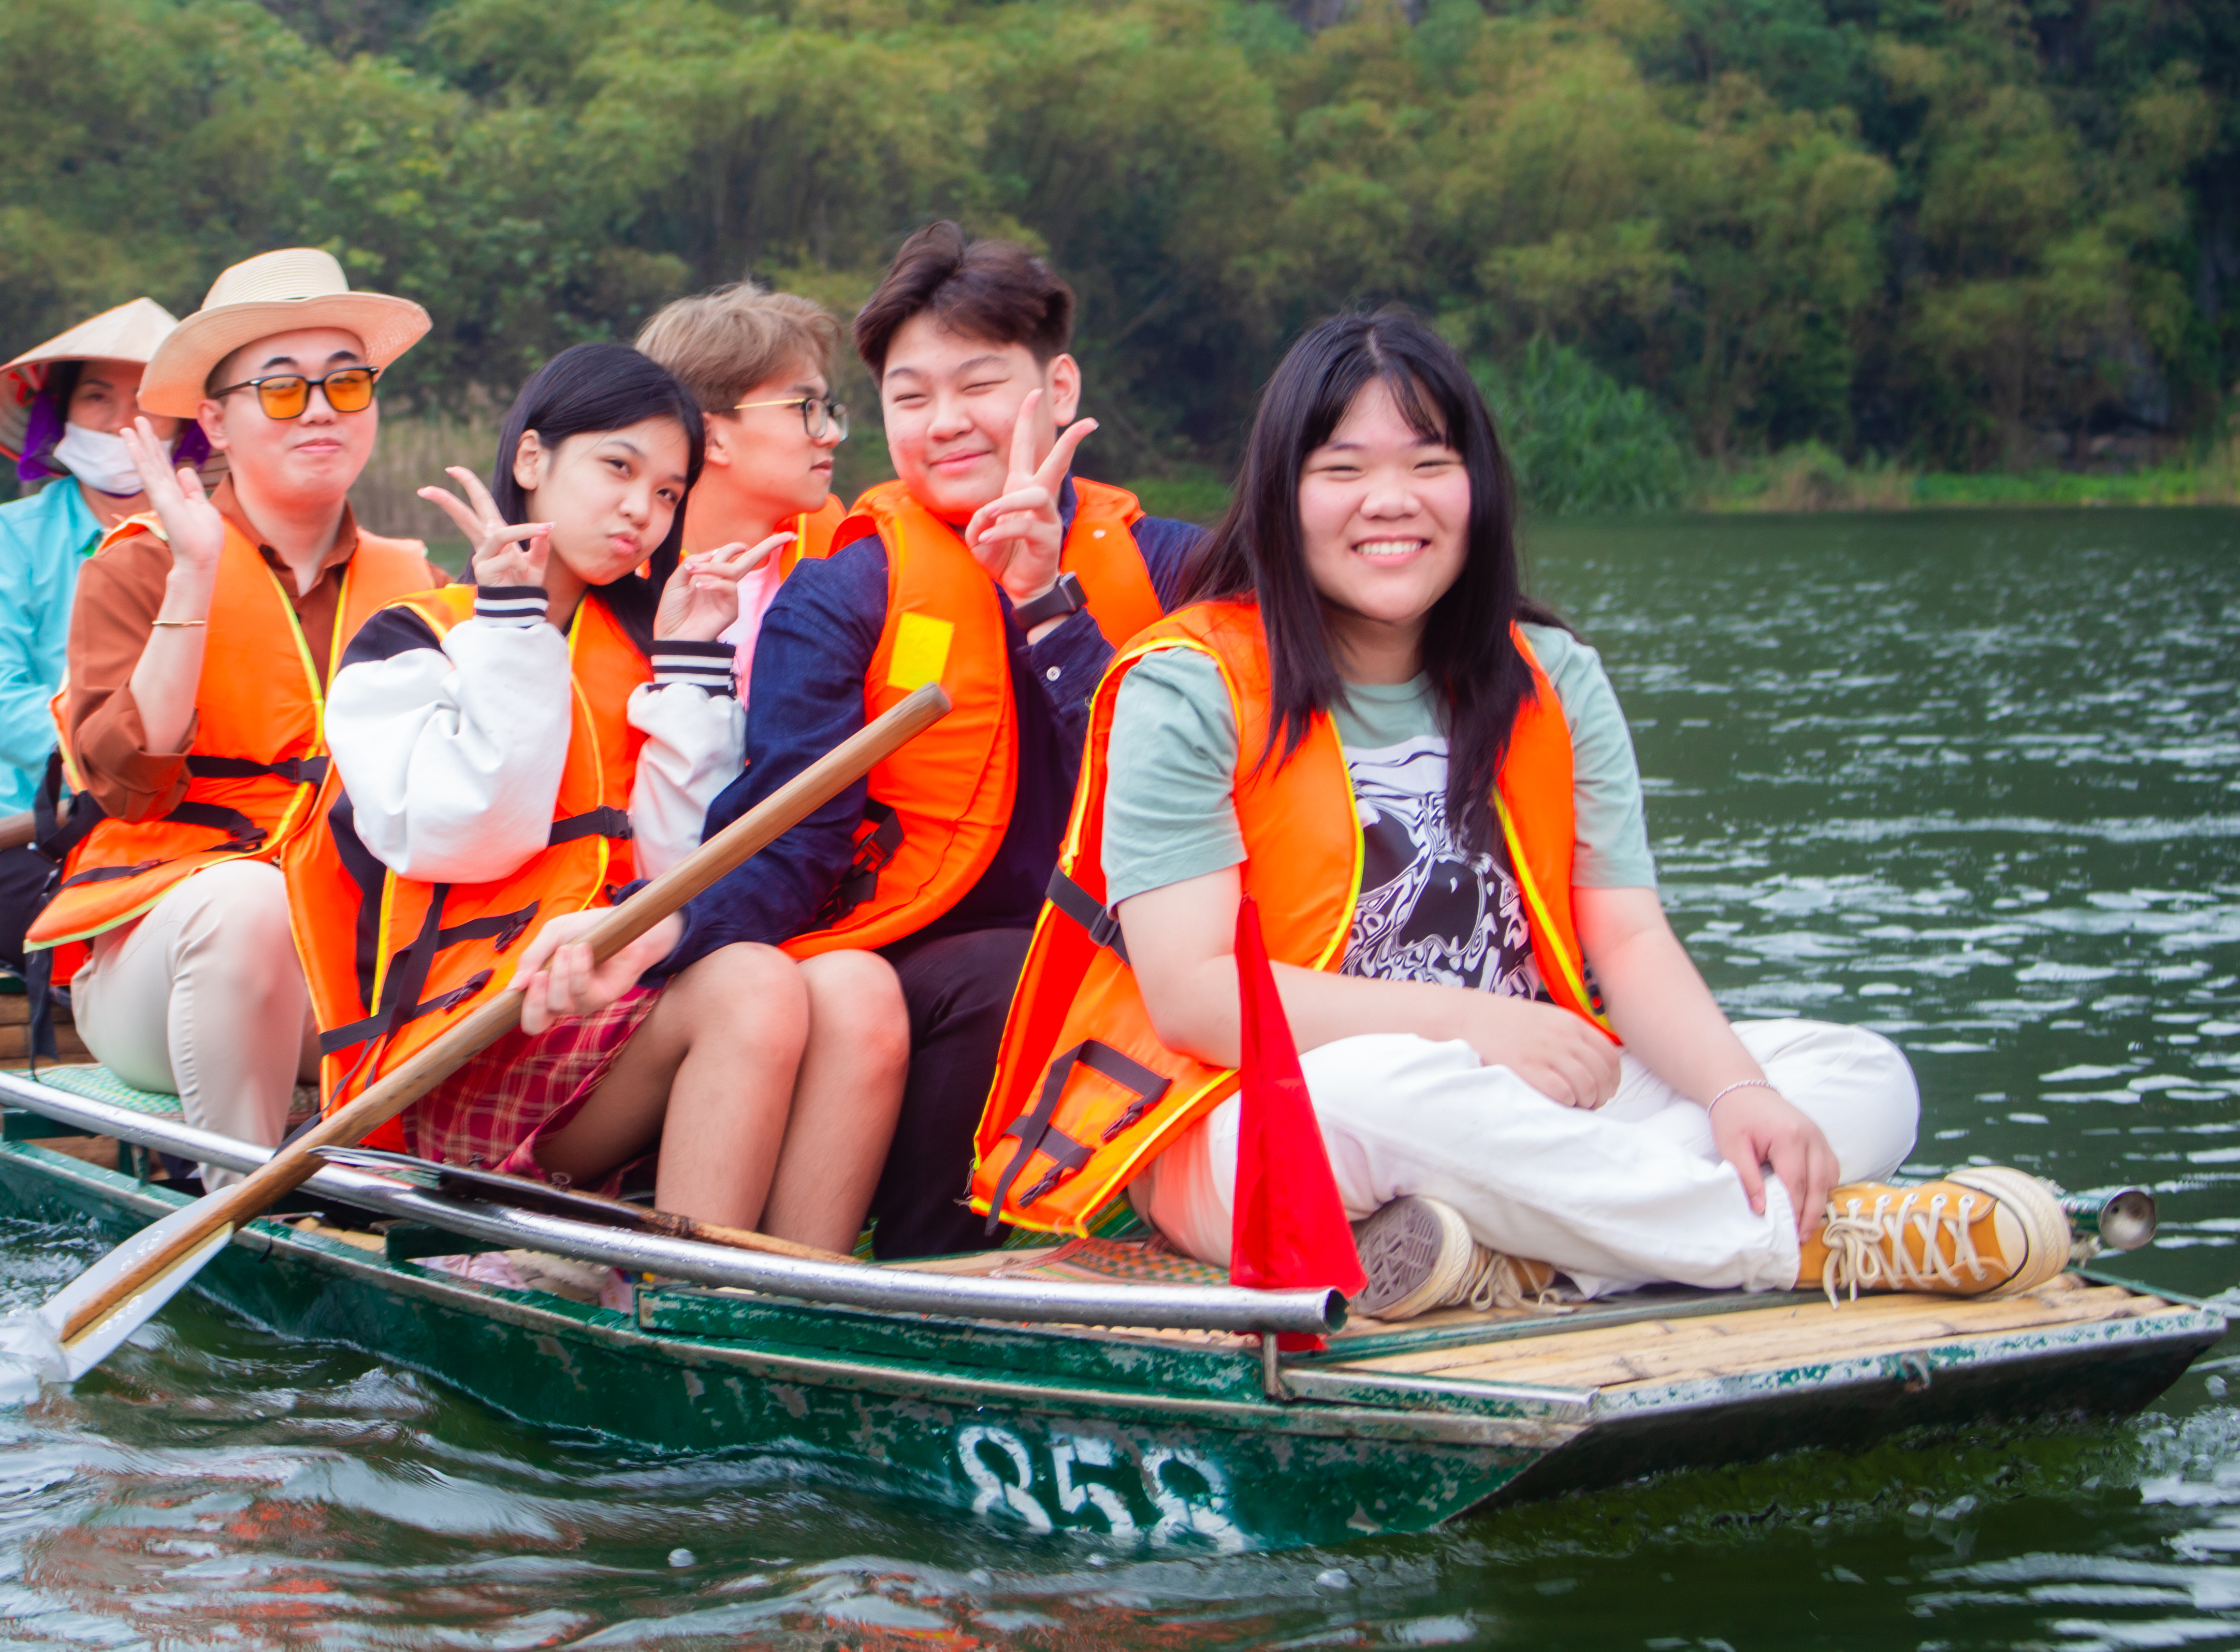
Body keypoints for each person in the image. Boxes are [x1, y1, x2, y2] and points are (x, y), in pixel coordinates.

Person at [970, 309, 2072, 1318]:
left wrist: (1739, 1092)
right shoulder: (1189, 684)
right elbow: (1198, 995)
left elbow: (1626, 938)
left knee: (1856, 1071)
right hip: (1260, 1119)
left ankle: (1527, 1259)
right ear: (1281, 494)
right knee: (1378, 1091)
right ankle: (1795, 1242)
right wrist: (1476, 1027)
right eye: (1343, 468)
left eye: (1429, 464)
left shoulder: (1550, 674)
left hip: (1533, 1107)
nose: (1390, 501)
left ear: (1477, 488)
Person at [631, 222, 1208, 1258]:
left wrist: (1051, 611)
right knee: (1007, 975)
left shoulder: (1174, 569)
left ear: (1060, 390)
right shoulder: (842, 593)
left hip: (1141, 964)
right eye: (910, 398)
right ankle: (937, 1275)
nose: (946, 424)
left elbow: (1205, 789)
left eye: (980, 386)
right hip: (919, 986)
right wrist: (656, 953)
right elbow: (788, 843)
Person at [288, 345, 906, 1249]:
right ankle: (685, 1308)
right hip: (458, 1061)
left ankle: (796, 1298)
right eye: (617, 468)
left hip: (611, 1021)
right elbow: (473, 837)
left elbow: (676, 870)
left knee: (857, 985)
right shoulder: (408, 642)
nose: (640, 512)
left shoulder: (652, 648)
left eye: (667, 492)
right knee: (749, 986)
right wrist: (512, 626)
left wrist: (692, 665)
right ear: (532, 461)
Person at [20, 250, 444, 1186]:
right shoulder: (138, 566)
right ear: (213, 420)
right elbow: (128, 783)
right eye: (283, 390)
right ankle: (239, 1209)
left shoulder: (422, 588)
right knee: (250, 902)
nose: (323, 408)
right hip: (160, 958)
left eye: (346, 382)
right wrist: (197, 574)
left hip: (352, 978)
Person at [0, 297, 197, 962]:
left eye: (148, 402)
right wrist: (114, 767)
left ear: (188, 421)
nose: (124, 425)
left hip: (201, 823)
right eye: (97, 400)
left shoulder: (218, 538)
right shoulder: (8, 538)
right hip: (49, 831)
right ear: (61, 417)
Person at [633, 282, 849, 700]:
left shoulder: (856, 563)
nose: (833, 434)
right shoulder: (613, 588)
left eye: (827, 409)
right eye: (805, 408)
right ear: (710, 438)